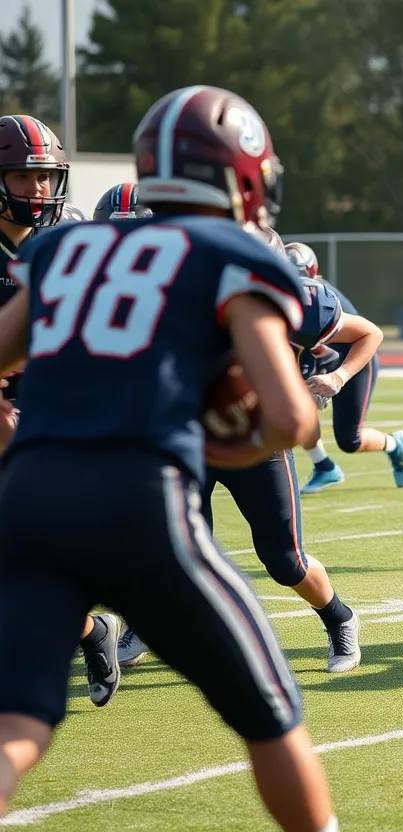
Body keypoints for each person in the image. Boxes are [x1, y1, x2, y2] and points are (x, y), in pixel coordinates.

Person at [0, 85, 337, 831]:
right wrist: (233, 438)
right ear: (246, 175)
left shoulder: (65, 246)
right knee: (270, 711)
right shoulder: (233, 252)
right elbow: (290, 418)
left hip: (28, 493)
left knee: (17, 723)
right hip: (138, 497)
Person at [118, 227, 367, 675]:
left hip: (258, 439)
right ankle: (146, 624)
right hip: (188, 438)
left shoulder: (302, 303)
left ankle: (339, 617)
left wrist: (339, 376)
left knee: (285, 561)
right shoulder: (168, 297)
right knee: (171, 547)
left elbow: (366, 333)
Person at [0, 114, 121, 707]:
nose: (38, 190)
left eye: (45, 176)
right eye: (24, 177)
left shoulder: (73, 236)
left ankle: (86, 624)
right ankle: (88, 628)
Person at [283, 241, 403, 493]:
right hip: (321, 355)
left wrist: (335, 377)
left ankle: (395, 445)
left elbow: (365, 336)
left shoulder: (316, 300)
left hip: (354, 357)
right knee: (294, 410)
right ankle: (324, 466)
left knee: (350, 439)